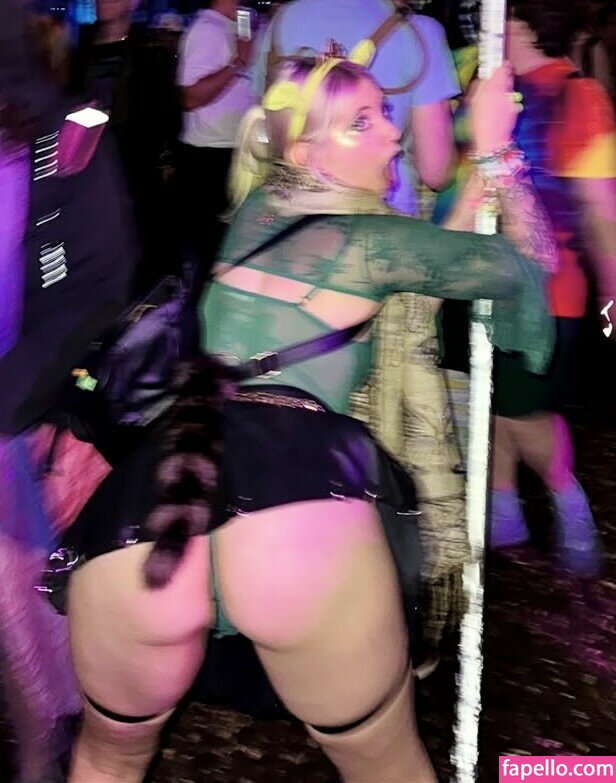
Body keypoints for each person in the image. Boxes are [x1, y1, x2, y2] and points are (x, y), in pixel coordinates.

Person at [62, 56, 555, 783]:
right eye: (363, 122)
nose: (391, 134)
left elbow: (419, 267)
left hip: (153, 507)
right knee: (388, 769)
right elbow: (525, 269)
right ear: (305, 151)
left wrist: (470, 182)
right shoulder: (373, 245)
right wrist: (499, 154)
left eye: (384, 113)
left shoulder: (258, 210)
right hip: (294, 515)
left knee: (105, 761)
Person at [0, 1, 139, 779]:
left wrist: (18, 392)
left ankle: (42, 741)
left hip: (16, 408)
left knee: (16, 595)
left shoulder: (67, 129)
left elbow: (100, 275)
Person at [489, 0, 616, 576]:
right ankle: (504, 514)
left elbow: (601, 210)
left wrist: (612, 294)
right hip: (486, 278)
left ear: (519, 22)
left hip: (548, 290)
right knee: (496, 401)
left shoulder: (579, 95)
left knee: (525, 410)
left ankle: (572, 509)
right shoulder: (491, 85)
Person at [176, 0, 254, 275]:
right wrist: (238, 63)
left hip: (229, 150)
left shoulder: (233, 26)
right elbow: (189, 97)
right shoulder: (206, 29)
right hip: (208, 156)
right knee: (212, 253)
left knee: (226, 249)